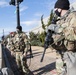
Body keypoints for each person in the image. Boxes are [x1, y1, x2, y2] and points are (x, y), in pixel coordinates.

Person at [46, 0, 76, 75]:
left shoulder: (74, 16)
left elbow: (73, 35)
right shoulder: (60, 21)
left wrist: (57, 28)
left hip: (72, 56)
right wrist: (50, 40)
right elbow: (59, 38)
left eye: (55, 9)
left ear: (60, 8)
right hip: (61, 55)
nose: (55, 11)